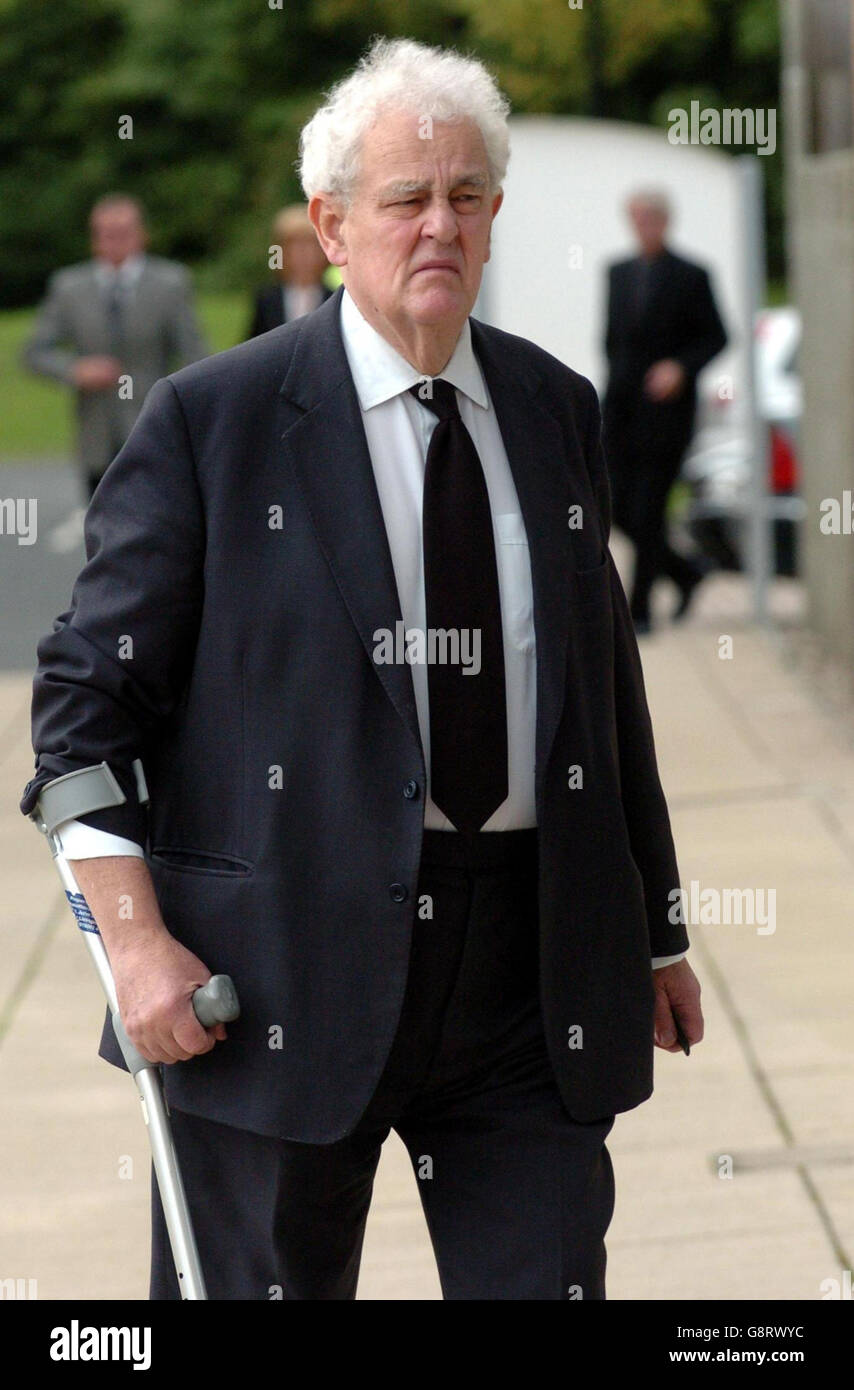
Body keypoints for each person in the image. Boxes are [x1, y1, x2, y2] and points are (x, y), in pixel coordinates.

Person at [20, 38, 703, 1301]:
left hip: (524, 974)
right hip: (273, 973)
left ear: (492, 216)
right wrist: (134, 946)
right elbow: (79, 714)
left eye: (463, 197)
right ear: (332, 225)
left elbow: (604, 692)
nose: (436, 225)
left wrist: (655, 930)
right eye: (402, 199)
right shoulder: (211, 420)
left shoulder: (556, 412)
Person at [23, 194, 208, 505]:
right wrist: (74, 369)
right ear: (94, 239)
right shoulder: (68, 287)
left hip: (153, 430)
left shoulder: (170, 284)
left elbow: (196, 354)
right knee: (102, 534)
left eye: (124, 233)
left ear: (142, 235)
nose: (115, 242)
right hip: (96, 436)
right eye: (106, 234)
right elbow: (35, 352)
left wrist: (180, 406)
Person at [602, 190, 728, 634]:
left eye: (651, 218)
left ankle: (639, 612)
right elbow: (612, 343)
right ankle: (685, 571)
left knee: (651, 508)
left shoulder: (691, 276)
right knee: (617, 508)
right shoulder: (617, 273)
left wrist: (680, 367)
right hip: (621, 412)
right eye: (637, 218)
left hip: (667, 416)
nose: (644, 226)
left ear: (665, 222)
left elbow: (716, 336)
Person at [245, 203, 333, 338]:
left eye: (311, 245)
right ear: (281, 251)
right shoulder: (268, 300)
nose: (304, 254)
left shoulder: (334, 300)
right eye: (295, 246)